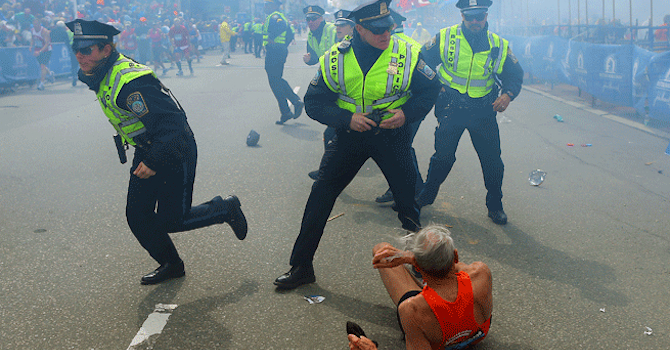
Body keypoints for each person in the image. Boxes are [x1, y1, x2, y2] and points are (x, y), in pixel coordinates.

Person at [273, 0, 441, 290]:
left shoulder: (407, 52)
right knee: (320, 197)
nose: (385, 33)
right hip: (351, 137)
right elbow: (313, 102)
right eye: (377, 30)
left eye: (388, 27)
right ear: (358, 29)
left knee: (407, 205)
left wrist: (407, 115)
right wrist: (346, 119)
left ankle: (424, 268)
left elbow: (430, 89)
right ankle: (301, 266)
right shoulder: (335, 58)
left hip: (392, 136)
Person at [66, 19, 248, 285]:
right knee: (137, 216)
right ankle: (171, 264)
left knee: (173, 220)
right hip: (149, 146)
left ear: (106, 50)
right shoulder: (101, 70)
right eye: (76, 50)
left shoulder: (130, 83)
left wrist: (153, 160)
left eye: (87, 50)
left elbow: (174, 124)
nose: (80, 55)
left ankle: (225, 208)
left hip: (174, 148)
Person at [416, 0, 524, 225]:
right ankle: (427, 195)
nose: (475, 21)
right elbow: (422, 61)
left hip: (483, 110)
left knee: (492, 161)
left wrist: (507, 95)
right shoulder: (445, 37)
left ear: (486, 17)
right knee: (443, 157)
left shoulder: (498, 44)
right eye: (470, 17)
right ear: (462, 16)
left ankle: (495, 205)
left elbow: (514, 74)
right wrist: (435, 84)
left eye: (479, 17)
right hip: (450, 106)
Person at [348, 225, 492, 350]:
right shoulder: (481, 273)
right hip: (476, 335)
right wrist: (413, 258)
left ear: (416, 266)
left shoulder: (411, 309)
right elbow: (455, 266)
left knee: (379, 249)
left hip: (440, 343)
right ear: (455, 255)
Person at [375, 9, 425, 204]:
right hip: (412, 107)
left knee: (400, 148)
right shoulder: (414, 44)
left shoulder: (396, 47)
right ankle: (408, 188)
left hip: (403, 108)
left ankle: (411, 190)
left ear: (391, 27)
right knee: (401, 147)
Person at [306, 8, 354, 181]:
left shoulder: (352, 47)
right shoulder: (340, 46)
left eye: (343, 25)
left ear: (352, 28)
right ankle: (328, 173)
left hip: (357, 105)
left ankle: (328, 174)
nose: (338, 28)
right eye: (338, 24)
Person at [262, 0, 303, 125]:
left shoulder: (275, 16)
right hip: (277, 51)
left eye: (267, 4)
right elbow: (290, 33)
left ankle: (288, 108)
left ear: (274, 5)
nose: (265, 6)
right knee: (277, 80)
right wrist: (283, 46)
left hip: (274, 52)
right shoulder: (278, 16)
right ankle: (291, 106)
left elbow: (282, 27)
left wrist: (272, 38)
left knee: (274, 81)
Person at [31, 17, 53, 91]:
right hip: (38, 49)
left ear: (40, 24)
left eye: (36, 24)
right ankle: (50, 74)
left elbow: (47, 43)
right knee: (42, 66)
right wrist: (31, 46)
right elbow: (32, 38)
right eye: (34, 24)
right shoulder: (32, 30)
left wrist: (40, 51)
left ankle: (41, 83)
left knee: (42, 66)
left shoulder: (44, 31)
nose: (35, 25)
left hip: (46, 50)